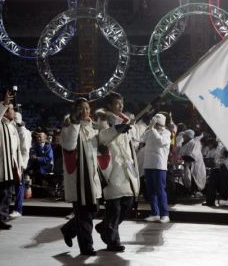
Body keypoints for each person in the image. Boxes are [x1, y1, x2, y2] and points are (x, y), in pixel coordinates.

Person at [96, 92, 140, 252]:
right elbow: (101, 138)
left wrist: (131, 127)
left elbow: (133, 141)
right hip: (112, 167)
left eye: (121, 103)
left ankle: (104, 226)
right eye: (117, 104)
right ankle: (113, 241)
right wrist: (117, 129)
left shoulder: (125, 120)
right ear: (109, 105)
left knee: (128, 202)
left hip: (126, 167)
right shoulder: (103, 120)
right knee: (114, 207)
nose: (121, 106)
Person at [60, 98, 102, 256]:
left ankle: (69, 229)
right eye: (82, 109)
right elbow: (70, 145)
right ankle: (86, 247)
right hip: (79, 181)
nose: (86, 111)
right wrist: (75, 123)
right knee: (85, 214)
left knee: (93, 210)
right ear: (75, 111)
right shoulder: (68, 127)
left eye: (88, 108)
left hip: (91, 179)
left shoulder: (92, 128)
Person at [0, 91, 23, 230]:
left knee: (7, 195)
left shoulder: (11, 126)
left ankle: (1, 218)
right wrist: (4, 104)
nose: (14, 111)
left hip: (10, 167)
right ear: (5, 112)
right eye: (12, 109)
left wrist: (19, 165)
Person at [142, 113, 172, 223]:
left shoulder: (166, 133)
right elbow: (142, 139)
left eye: (156, 123)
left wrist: (153, 129)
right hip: (148, 164)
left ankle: (165, 214)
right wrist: (149, 128)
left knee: (160, 190)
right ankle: (155, 213)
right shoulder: (151, 131)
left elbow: (160, 142)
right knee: (151, 191)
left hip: (159, 165)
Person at [10, 112, 32, 218]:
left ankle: (18, 209)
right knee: (13, 185)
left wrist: (23, 164)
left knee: (19, 185)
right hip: (11, 161)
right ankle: (14, 209)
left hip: (19, 163)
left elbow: (25, 150)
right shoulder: (12, 130)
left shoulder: (24, 132)